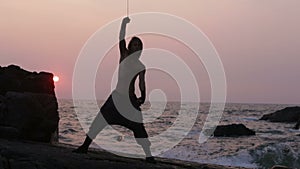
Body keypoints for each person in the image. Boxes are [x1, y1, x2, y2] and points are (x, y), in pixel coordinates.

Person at [73, 17, 155, 163]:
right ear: (131, 47)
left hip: (130, 101)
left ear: (141, 48)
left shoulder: (141, 66)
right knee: (99, 121)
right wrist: (123, 24)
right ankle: (84, 147)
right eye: (134, 44)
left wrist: (143, 96)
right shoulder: (124, 55)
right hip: (117, 97)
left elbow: (142, 82)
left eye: (138, 45)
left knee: (139, 128)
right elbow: (121, 38)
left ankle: (149, 156)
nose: (136, 47)